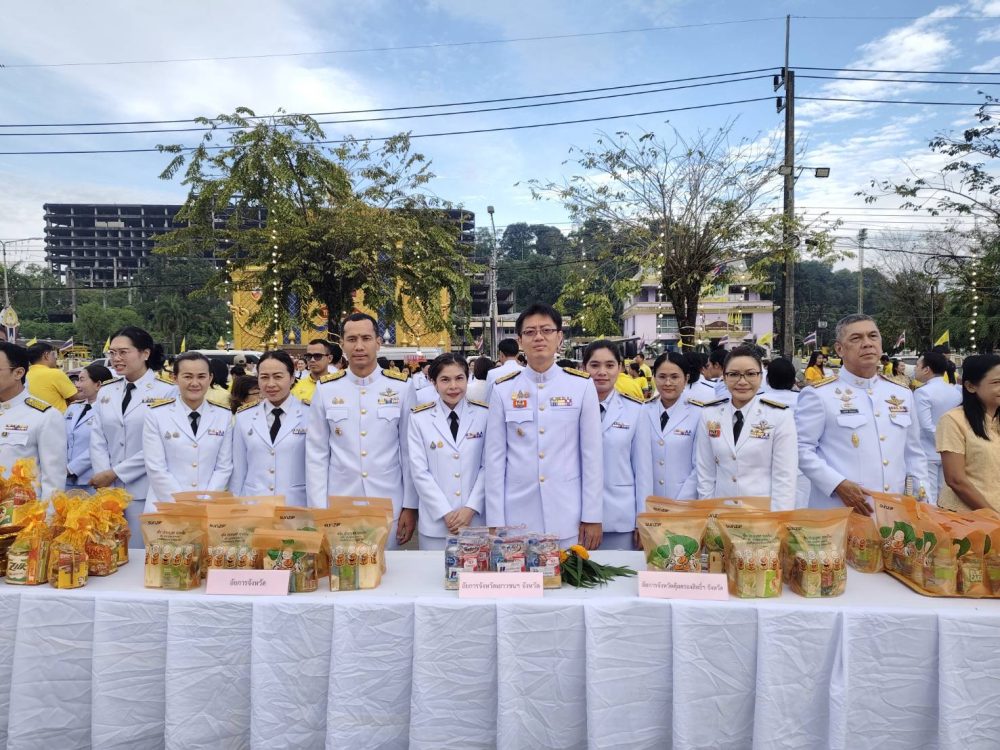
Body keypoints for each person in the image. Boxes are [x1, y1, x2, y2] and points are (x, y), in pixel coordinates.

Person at [485, 303, 603, 549]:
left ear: (559, 337)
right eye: (530, 332)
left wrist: (592, 516)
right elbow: (494, 458)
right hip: (516, 513)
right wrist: (495, 519)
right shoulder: (503, 389)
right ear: (520, 341)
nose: (538, 337)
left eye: (546, 330)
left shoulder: (581, 386)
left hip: (566, 512)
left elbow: (592, 456)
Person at [796, 314, 928, 514]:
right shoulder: (819, 394)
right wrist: (837, 484)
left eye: (873, 336)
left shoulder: (901, 393)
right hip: (841, 510)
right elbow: (801, 448)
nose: (867, 343)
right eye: (856, 338)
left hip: (895, 511)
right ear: (839, 349)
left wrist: (923, 500)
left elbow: (914, 453)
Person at [306, 313, 416, 549]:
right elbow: (316, 453)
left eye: (366, 338)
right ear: (342, 344)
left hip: (388, 501)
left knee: (388, 569)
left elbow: (409, 452)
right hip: (340, 501)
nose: (359, 346)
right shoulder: (326, 389)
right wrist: (318, 508)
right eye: (351, 339)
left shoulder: (401, 387)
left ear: (378, 342)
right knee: (341, 568)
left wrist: (410, 505)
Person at [90, 327, 177, 539]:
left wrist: (116, 472)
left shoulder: (166, 391)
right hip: (108, 489)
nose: (116, 358)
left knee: (140, 548)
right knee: (109, 548)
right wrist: (104, 477)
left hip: (145, 488)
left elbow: (160, 445)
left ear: (145, 353)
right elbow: (98, 438)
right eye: (112, 353)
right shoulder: (106, 391)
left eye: (123, 352)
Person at [694, 346, 798, 510]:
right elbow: (705, 472)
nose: (742, 381)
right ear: (724, 377)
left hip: (762, 515)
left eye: (750, 374)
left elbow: (785, 477)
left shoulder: (779, 416)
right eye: (734, 374)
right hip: (721, 513)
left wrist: (778, 519)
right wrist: (709, 513)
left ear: (761, 377)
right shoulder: (710, 414)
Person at [408, 353, 488, 550]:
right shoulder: (419, 418)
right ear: (433, 382)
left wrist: (470, 508)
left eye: (459, 378)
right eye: (445, 380)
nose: (453, 386)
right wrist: (445, 512)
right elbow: (419, 472)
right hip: (436, 525)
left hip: (475, 522)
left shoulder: (484, 415)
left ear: (468, 379)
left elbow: (488, 467)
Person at [143, 352, 234, 512]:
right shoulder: (156, 414)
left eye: (201, 376)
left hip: (209, 508)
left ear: (210, 378)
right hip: (166, 507)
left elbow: (223, 467)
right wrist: (183, 506)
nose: (195, 383)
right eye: (187, 376)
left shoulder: (223, 415)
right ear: (175, 378)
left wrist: (205, 503)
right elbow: (156, 468)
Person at [583, 340, 651, 549]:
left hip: (620, 517)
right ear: (584, 368)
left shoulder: (635, 410)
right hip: (578, 517)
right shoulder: (570, 409)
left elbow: (643, 470)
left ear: (620, 368)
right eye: (595, 365)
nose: (602, 372)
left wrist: (643, 519)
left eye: (610, 365)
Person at [232, 350, 307, 505]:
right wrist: (236, 507)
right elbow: (239, 469)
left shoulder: (310, 415)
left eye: (278, 377)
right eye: (264, 377)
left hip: (296, 505)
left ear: (292, 378)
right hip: (254, 504)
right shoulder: (244, 416)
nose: (271, 384)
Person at [0, 342, 66, 501]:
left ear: (18, 373)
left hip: (21, 511)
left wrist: (47, 515)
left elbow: (53, 479)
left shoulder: (45, 416)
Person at [936, 354, 1000, 512]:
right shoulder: (953, 420)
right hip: (966, 518)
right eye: (996, 382)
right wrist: (993, 517)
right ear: (971, 386)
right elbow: (956, 480)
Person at [646, 352, 699, 499]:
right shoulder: (643, 410)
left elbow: (700, 465)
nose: (668, 383)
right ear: (654, 378)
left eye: (675, 377)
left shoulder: (699, 414)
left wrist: (683, 502)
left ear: (686, 379)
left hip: (684, 499)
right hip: (649, 498)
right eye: (662, 377)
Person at [914, 350, 962, 504]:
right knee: (944, 494)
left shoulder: (922, 392)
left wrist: (941, 442)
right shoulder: (955, 391)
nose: (915, 369)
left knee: (929, 496)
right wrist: (948, 443)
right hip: (951, 450)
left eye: (917, 365)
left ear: (926, 369)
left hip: (928, 450)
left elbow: (925, 425)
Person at [65, 363, 113, 491]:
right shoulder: (73, 408)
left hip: (92, 480)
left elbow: (101, 446)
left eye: (82, 380)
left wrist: (72, 468)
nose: (77, 385)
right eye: (77, 380)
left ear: (98, 385)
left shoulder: (109, 410)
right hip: (65, 478)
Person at [26, 342, 78, 412]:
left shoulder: (26, 375)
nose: (56, 358)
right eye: (53, 354)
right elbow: (76, 398)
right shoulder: (55, 373)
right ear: (46, 355)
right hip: (57, 417)